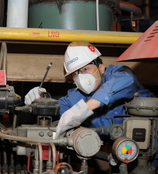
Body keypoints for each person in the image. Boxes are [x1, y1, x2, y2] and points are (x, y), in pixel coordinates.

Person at [25, 41, 156, 138]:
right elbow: (57, 112)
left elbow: (128, 79)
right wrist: (40, 101)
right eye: (75, 73)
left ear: (101, 68)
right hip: (123, 152)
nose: (80, 76)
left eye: (85, 69)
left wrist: (87, 107)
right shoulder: (75, 97)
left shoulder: (116, 75)